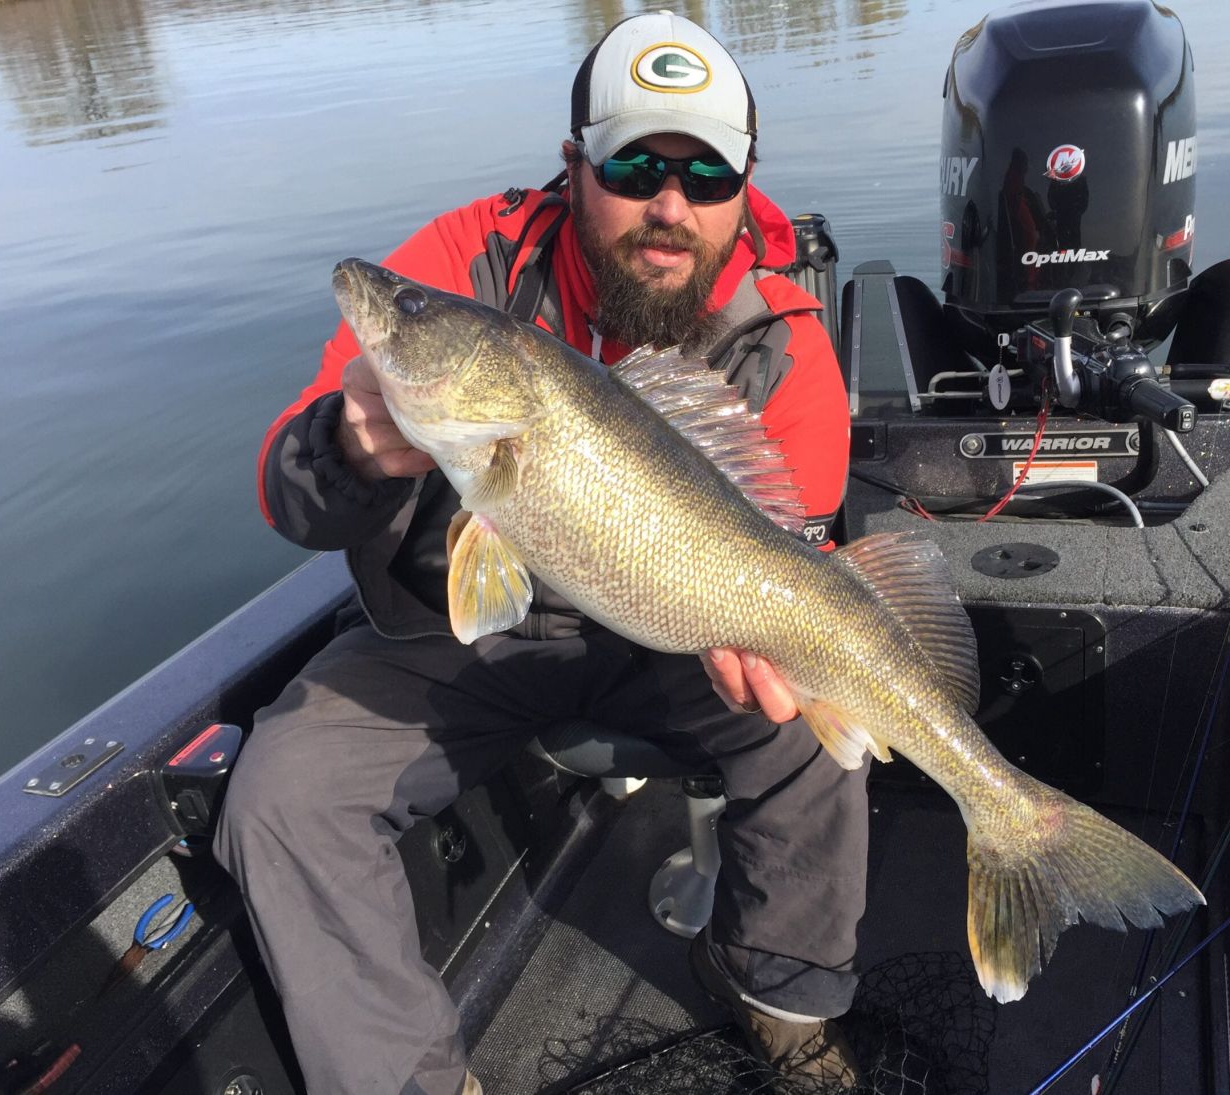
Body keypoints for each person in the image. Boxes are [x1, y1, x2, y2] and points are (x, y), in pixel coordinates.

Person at [214, 12, 867, 1094]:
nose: (670, 206)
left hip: (678, 623)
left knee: (814, 729)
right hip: (458, 631)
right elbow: (286, 496)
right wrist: (344, 447)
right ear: (573, 168)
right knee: (284, 794)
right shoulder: (460, 265)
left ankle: (782, 1000)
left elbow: (798, 539)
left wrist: (767, 649)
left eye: (707, 176)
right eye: (634, 166)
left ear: (744, 191)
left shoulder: (786, 336)